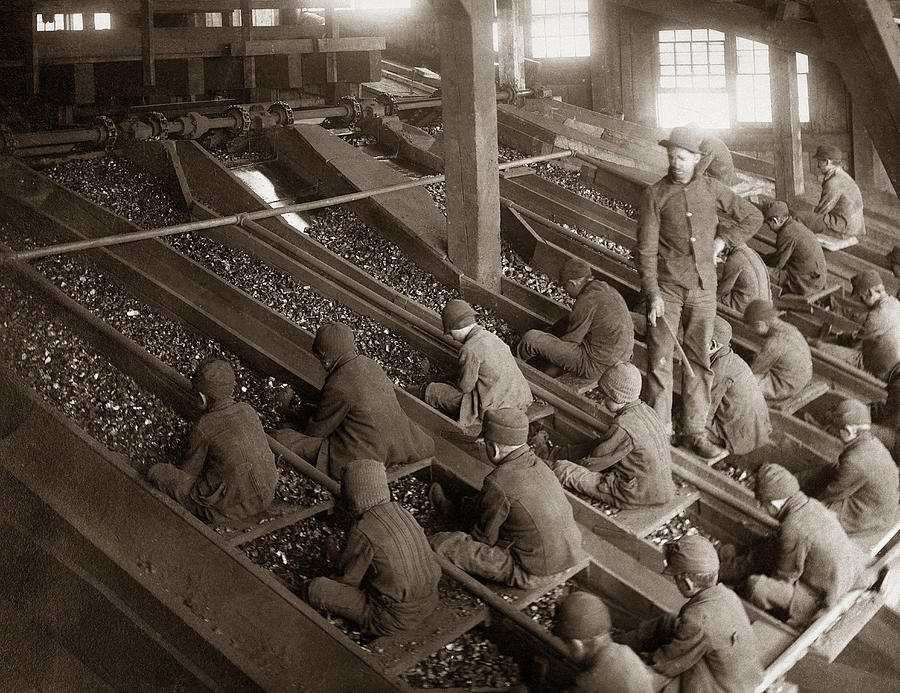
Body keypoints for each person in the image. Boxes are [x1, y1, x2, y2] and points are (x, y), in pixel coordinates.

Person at [636, 125, 763, 458]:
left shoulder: (712, 189)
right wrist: (652, 294)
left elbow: (753, 216)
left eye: (682, 157)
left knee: (700, 361)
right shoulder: (654, 196)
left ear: (696, 159)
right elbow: (646, 251)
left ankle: (694, 430)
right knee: (660, 360)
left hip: (704, 290)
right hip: (667, 291)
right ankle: (659, 432)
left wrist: (725, 240)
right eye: (672, 156)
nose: (676, 163)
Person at [429, 408, 583, 588]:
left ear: (493, 449)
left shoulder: (498, 482)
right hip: (570, 554)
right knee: (486, 503)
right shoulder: (539, 465)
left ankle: (449, 516)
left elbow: (484, 539)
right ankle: (453, 509)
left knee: (443, 543)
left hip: (533, 572)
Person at [274, 322, 434, 480]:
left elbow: (315, 432)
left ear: (326, 359)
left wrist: (292, 418)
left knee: (282, 438)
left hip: (364, 457)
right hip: (400, 445)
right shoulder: (370, 364)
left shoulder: (338, 384)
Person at [304, 459, 441, 635]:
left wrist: (331, 550)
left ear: (353, 497)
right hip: (430, 600)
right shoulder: (401, 512)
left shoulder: (363, 529)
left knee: (315, 589)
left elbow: (346, 580)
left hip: (392, 617)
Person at [621, 535, 763, 692]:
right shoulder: (727, 595)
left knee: (649, 680)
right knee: (669, 623)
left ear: (687, 584)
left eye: (675, 578)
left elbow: (665, 665)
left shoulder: (696, 620)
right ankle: (623, 640)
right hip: (743, 676)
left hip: (724, 688)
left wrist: (636, 659)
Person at [147, 360, 277, 523]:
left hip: (230, 510)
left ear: (202, 398)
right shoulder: (248, 410)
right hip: (267, 494)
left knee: (159, 473)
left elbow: (188, 472)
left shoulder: (204, 426)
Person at [746, 463, 866, 628]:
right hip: (849, 577)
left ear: (774, 504)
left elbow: (785, 577)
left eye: (762, 503)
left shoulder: (792, 527)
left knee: (757, 586)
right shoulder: (813, 505)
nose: (760, 507)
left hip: (826, 599)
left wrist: (751, 569)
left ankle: (780, 621)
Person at [547, 362, 677, 506]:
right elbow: (602, 445)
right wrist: (567, 452)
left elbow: (594, 463)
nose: (602, 401)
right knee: (598, 443)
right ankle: (555, 454)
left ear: (617, 396)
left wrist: (569, 464)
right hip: (661, 489)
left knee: (562, 469)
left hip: (634, 495)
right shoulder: (647, 411)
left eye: (606, 396)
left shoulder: (623, 425)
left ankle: (545, 461)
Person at [517, 258, 633, 381]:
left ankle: (516, 368)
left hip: (598, 366)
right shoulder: (605, 289)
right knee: (567, 321)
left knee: (531, 339)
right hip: (620, 359)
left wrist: (549, 347)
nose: (565, 292)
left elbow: (570, 342)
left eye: (564, 286)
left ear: (573, 283)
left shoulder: (586, 301)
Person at [423, 300, 532, 428]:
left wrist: (449, 382)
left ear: (456, 329)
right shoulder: (491, 337)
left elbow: (465, 387)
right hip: (519, 400)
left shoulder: (470, 349)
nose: (452, 337)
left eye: (451, 333)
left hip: (496, 409)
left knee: (433, 391)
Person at [817, 399, 899, 535]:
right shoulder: (873, 442)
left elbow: (832, 493)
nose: (836, 434)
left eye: (837, 430)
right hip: (879, 505)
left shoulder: (855, 461)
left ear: (848, 431)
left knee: (812, 514)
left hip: (869, 516)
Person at [813, 269, 900, 383]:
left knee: (818, 348)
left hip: (876, 369)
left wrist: (826, 340)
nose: (861, 300)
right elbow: (861, 318)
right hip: (892, 362)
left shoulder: (875, 317)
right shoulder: (894, 302)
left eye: (861, 297)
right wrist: (838, 308)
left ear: (870, 292)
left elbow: (852, 343)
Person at [706, 317, 772, 456]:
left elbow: (706, 409)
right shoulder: (732, 358)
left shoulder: (720, 369)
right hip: (756, 429)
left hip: (739, 437)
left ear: (712, 345)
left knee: (688, 419)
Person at [744, 300, 813, 403]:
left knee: (744, 383)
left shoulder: (773, 343)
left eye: (751, 327)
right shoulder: (789, 328)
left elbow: (754, 370)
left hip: (787, 385)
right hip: (803, 376)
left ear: (760, 324)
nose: (750, 329)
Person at [795, 144, 865, 239]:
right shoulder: (842, 176)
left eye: (819, 162)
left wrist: (809, 219)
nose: (818, 166)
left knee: (799, 217)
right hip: (854, 226)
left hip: (844, 229)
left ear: (827, 162)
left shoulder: (833, 182)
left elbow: (821, 210)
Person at [763, 200, 827, 298]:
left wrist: (760, 259)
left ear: (776, 220)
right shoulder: (795, 224)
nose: (769, 228)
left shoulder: (786, 233)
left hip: (806, 283)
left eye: (769, 223)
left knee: (760, 270)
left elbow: (777, 264)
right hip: (818, 277)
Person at [716, 240, 772, 313]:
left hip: (745, 310)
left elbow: (722, 291)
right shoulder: (751, 252)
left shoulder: (734, 259)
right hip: (763, 307)